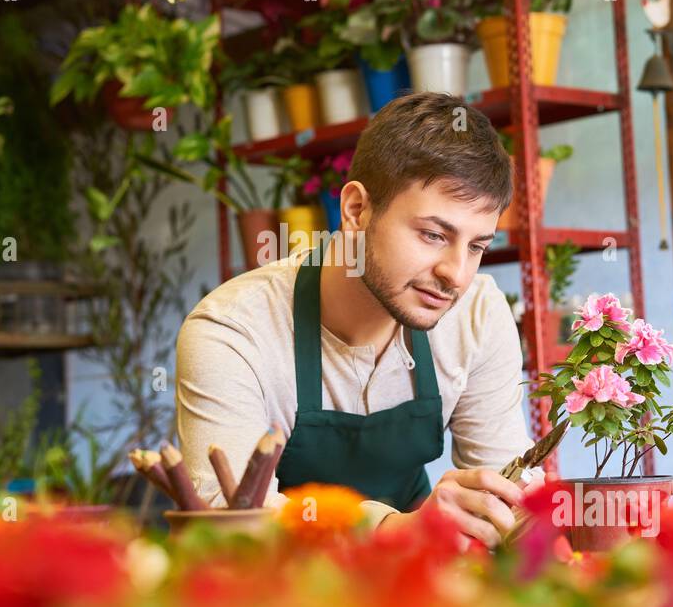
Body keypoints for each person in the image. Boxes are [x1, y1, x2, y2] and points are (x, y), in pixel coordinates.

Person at [174, 91, 543, 550]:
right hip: (273, 598)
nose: (456, 274)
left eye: (476, 246)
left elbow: (503, 491)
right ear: (355, 210)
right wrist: (388, 529)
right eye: (433, 234)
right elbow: (230, 524)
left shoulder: (478, 315)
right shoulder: (233, 332)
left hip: (415, 586)